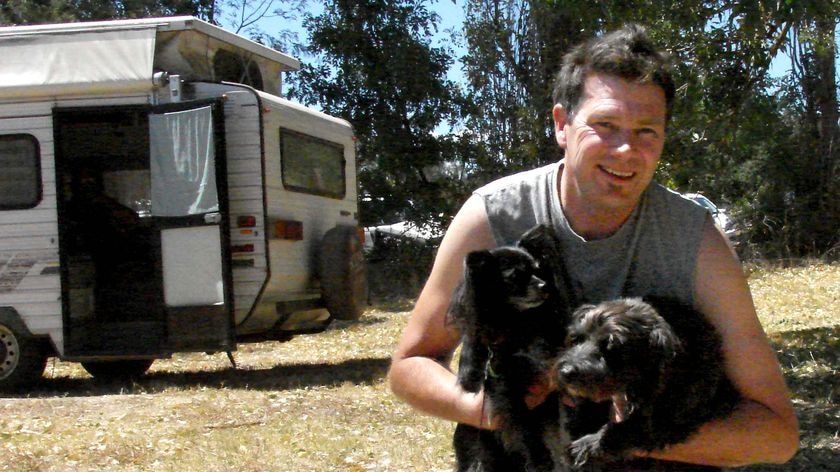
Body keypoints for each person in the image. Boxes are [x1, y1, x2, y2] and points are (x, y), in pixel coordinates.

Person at [388, 24, 798, 470]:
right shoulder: (493, 216)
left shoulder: (694, 241)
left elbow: (776, 434)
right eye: (605, 125)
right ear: (562, 124)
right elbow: (410, 365)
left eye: (647, 131)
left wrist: (627, 437)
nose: (626, 150)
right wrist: (497, 410)